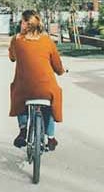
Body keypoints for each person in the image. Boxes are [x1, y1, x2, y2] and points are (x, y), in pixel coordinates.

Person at [9, 9, 66, 150]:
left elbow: (12, 57)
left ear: (25, 24)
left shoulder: (16, 40)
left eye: (21, 21)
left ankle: (23, 130)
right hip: (46, 89)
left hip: (24, 88)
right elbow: (57, 65)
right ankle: (51, 138)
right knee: (52, 103)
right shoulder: (47, 40)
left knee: (18, 97)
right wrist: (61, 71)